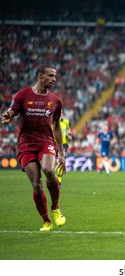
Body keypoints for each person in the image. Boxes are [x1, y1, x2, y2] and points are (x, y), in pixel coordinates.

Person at [0, 64, 66, 232]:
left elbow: (57, 127)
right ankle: (46, 221)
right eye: (51, 76)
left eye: (55, 76)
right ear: (40, 76)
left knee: (49, 170)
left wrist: (62, 154)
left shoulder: (56, 101)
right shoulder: (22, 95)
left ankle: (56, 208)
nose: (54, 79)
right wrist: (7, 117)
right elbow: (11, 111)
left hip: (46, 141)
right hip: (26, 144)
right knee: (36, 185)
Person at [56, 113, 72, 187]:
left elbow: (68, 130)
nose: (59, 115)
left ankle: (59, 181)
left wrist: (69, 135)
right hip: (54, 144)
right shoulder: (52, 123)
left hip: (63, 145)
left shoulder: (66, 122)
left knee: (61, 160)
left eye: (60, 113)